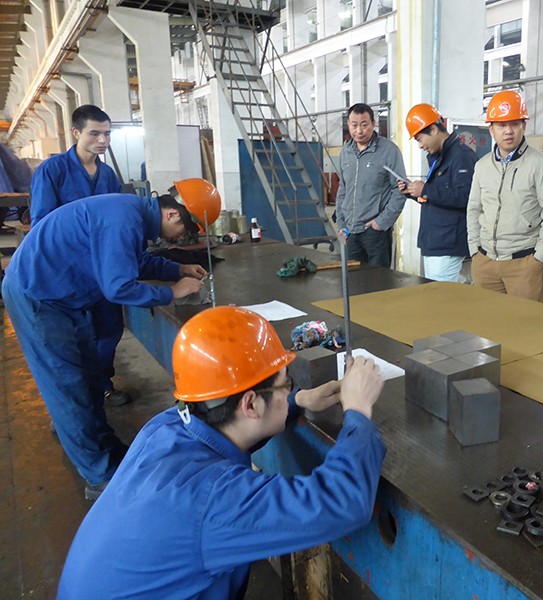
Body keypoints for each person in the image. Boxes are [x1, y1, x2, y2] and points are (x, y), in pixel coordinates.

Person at [58, 306, 386, 599]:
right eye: (286, 383)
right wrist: (358, 410)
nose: (289, 388)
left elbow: (230, 420)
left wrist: (297, 400)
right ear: (250, 404)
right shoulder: (214, 500)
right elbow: (342, 502)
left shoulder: (167, 425)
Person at [2, 184, 218, 500]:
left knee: (89, 374)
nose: (180, 239)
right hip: (37, 295)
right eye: (184, 231)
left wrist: (178, 268)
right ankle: (99, 474)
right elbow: (118, 287)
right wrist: (172, 292)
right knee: (69, 383)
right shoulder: (123, 219)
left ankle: (83, 435)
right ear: (173, 213)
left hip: (61, 298)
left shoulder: (132, 215)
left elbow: (134, 262)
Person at [29, 105, 130, 405]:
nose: (102, 140)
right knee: (75, 338)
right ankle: (78, 398)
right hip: (67, 273)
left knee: (110, 329)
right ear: (76, 132)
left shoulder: (108, 175)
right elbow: (42, 224)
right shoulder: (53, 170)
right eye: (94, 134)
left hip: (102, 270)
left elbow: (114, 220)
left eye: (107, 134)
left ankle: (103, 385)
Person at [466, 90, 543, 301]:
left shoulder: (541, 164)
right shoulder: (482, 166)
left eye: (514, 124)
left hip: (523, 264)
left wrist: (539, 259)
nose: (508, 131)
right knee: (486, 320)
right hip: (485, 262)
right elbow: (474, 208)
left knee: (525, 321)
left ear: (523, 126)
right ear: (491, 129)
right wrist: (474, 250)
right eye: (501, 125)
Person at [398, 103, 477, 282]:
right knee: (437, 288)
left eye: (420, 139)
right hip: (434, 239)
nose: (420, 145)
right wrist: (412, 192)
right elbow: (437, 197)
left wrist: (425, 190)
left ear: (433, 129)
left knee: (443, 291)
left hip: (448, 241)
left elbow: (466, 196)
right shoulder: (440, 157)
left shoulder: (462, 156)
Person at [335, 103, 407, 268]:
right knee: (353, 278)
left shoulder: (389, 151)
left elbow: (400, 190)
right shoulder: (346, 152)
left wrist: (381, 222)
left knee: (378, 279)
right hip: (350, 232)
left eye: (364, 124)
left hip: (375, 233)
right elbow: (343, 189)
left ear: (374, 124)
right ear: (348, 125)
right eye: (354, 125)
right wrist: (341, 222)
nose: (359, 131)